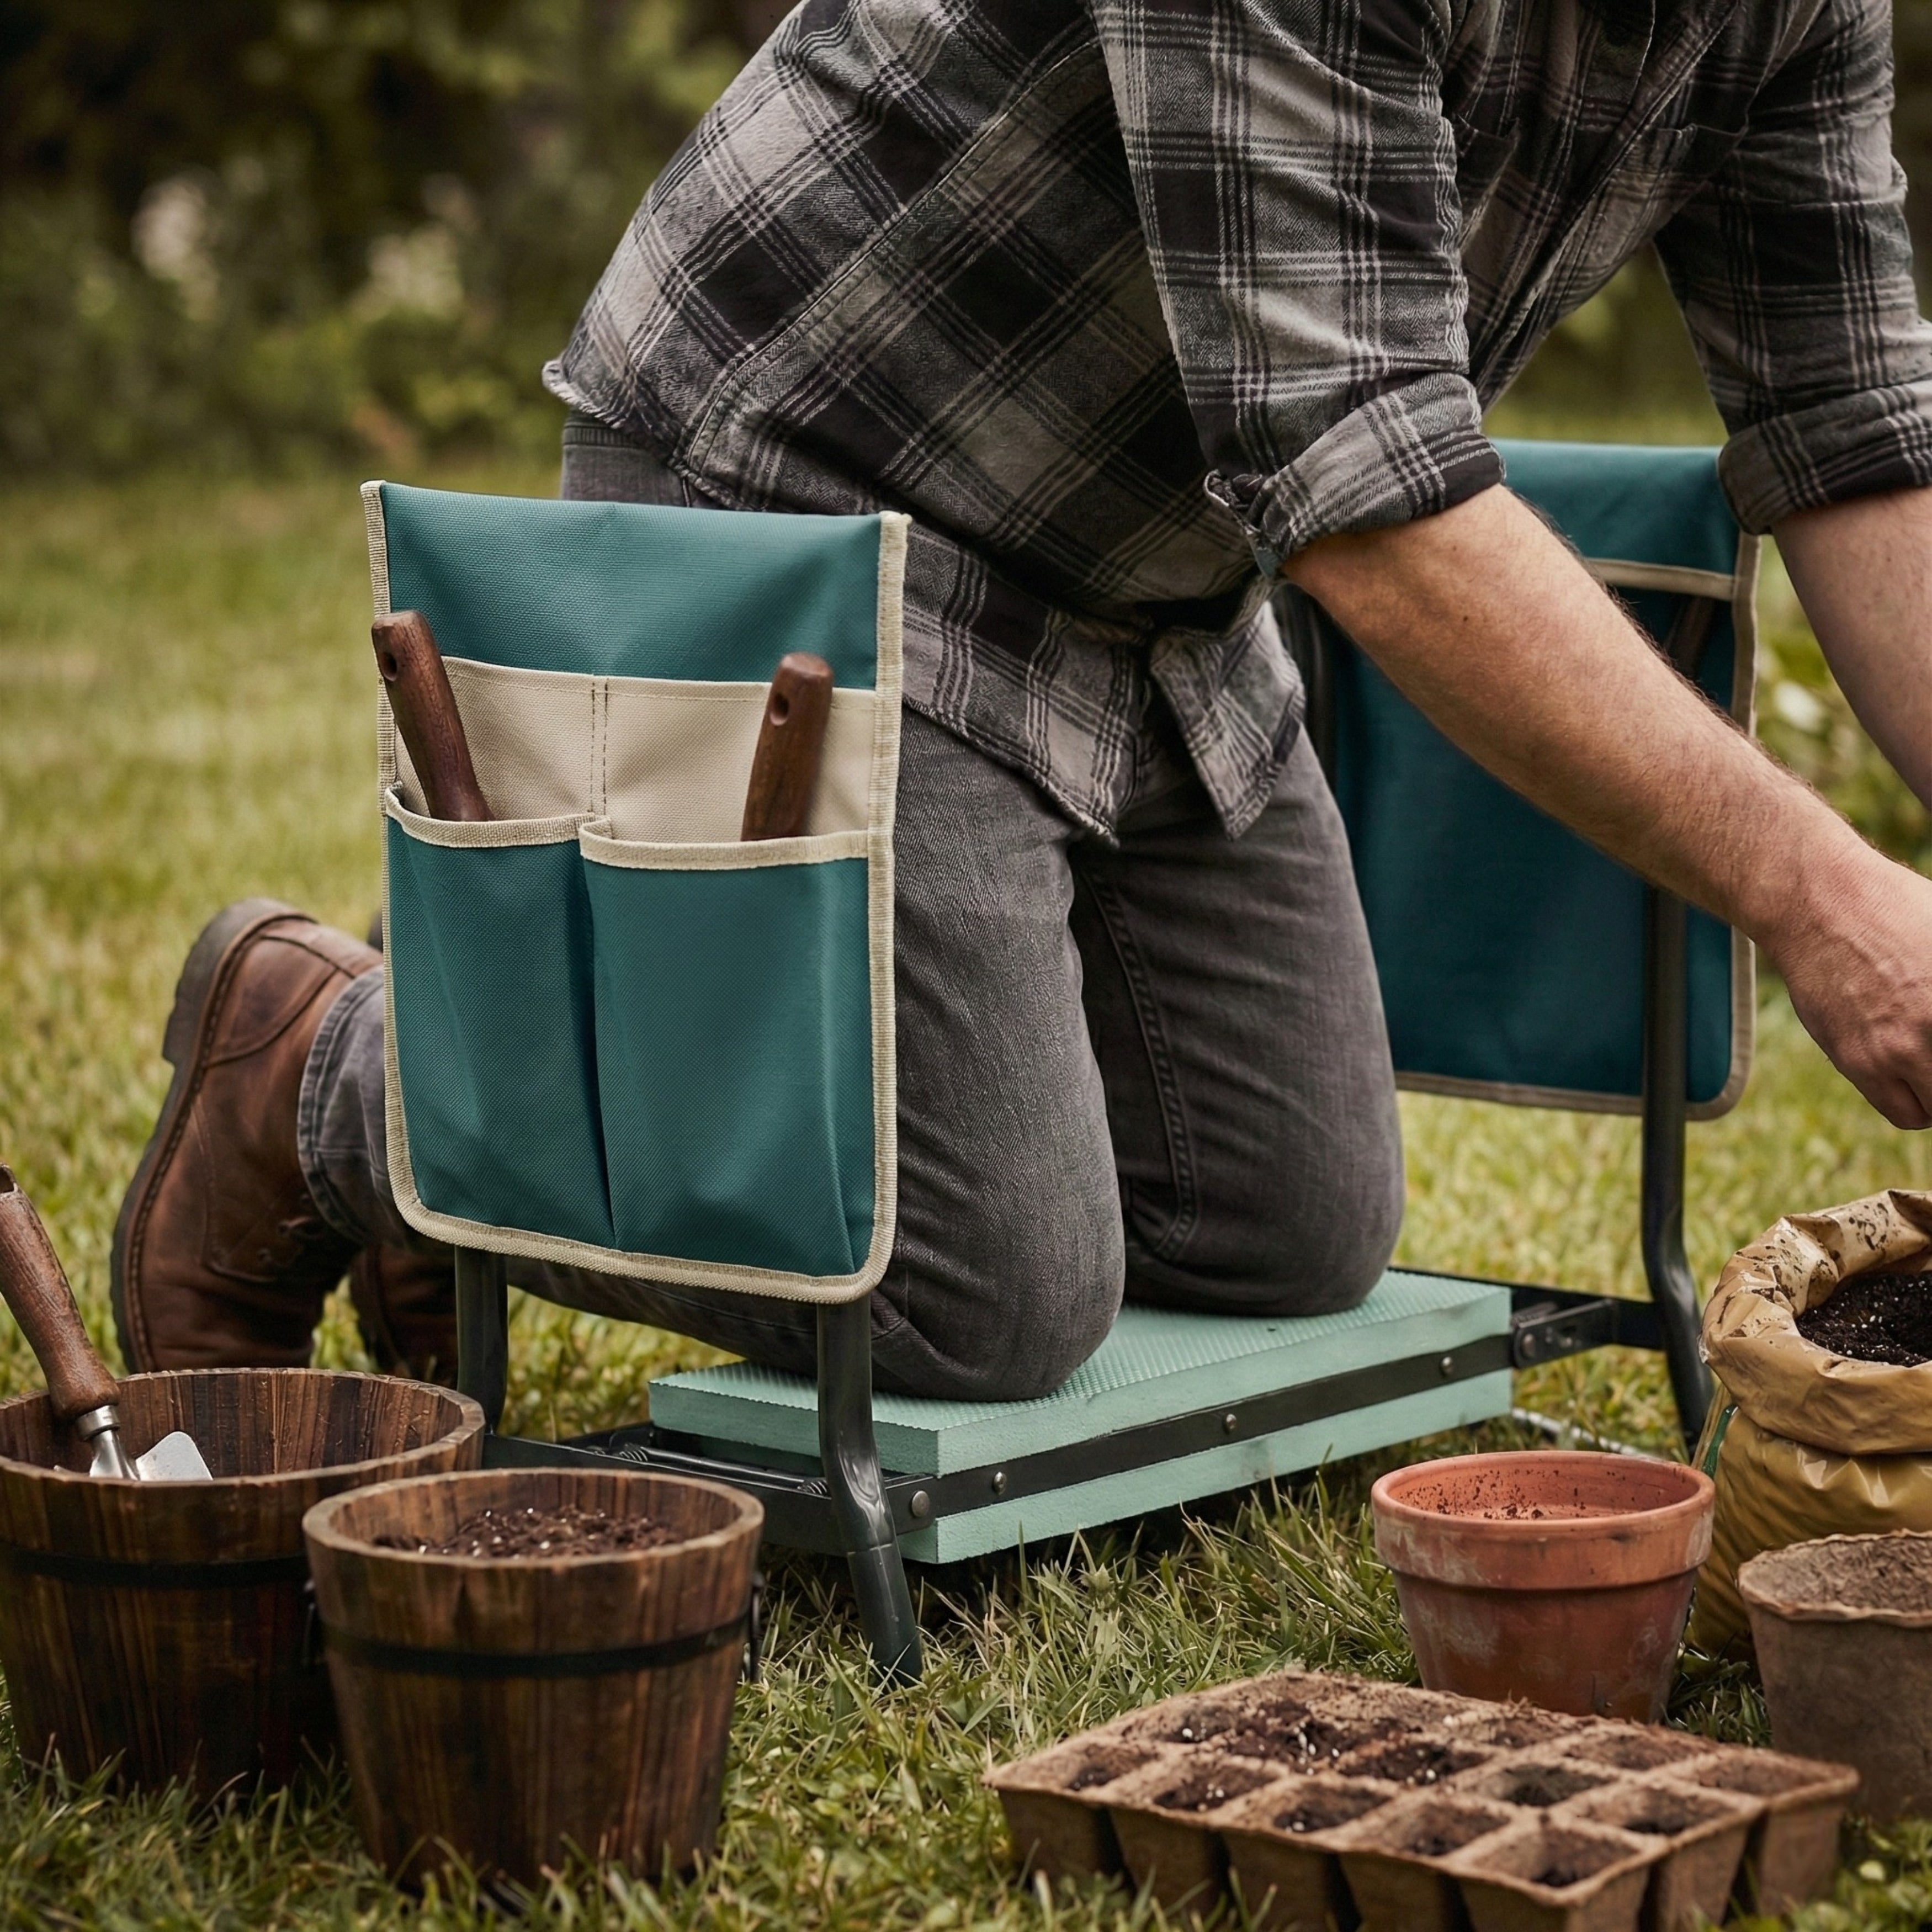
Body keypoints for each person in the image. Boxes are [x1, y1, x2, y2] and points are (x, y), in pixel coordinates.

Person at [114, 0, 1932, 1400]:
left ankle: (565, 1103)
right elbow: (1361, 475)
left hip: (1150, 581)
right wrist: (1823, 897)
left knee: (1285, 1220)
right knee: (977, 1290)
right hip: (811, 494)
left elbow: (1854, 427)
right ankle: (329, 1071)